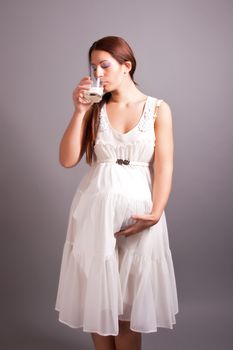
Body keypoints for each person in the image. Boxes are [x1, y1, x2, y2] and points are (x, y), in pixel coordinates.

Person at [55, 35, 179, 350]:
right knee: (98, 302)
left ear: (127, 66)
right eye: (93, 66)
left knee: (127, 308)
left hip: (139, 216)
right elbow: (68, 160)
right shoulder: (96, 107)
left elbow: (163, 167)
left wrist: (155, 214)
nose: (98, 73)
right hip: (96, 214)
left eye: (104, 65)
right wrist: (80, 111)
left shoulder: (157, 109)